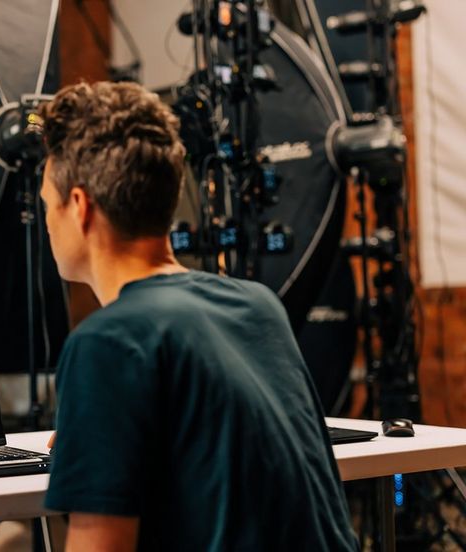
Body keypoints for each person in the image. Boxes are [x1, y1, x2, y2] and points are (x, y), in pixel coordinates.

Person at [38, 82, 358, 551]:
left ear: (81, 208)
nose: (47, 220)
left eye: (49, 203)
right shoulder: (258, 306)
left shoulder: (107, 342)